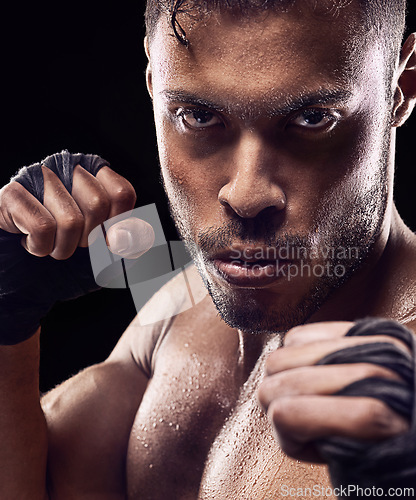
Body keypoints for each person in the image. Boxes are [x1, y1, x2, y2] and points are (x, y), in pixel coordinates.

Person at [0, 0, 415, 498]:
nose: (245, 194)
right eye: (197, 115)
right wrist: (7, 323)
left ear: (400, 88)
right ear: (152, 80)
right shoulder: (179, 306)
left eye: (312, 118)